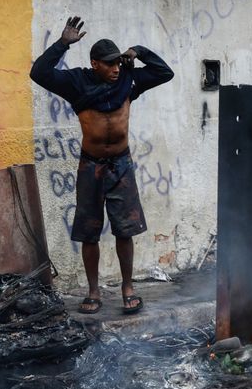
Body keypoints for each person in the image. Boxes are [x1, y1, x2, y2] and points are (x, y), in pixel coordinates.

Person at [29, 16, 174, 315]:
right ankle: (93, 291)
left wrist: (139, 51)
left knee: (125, 229)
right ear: (95, 63)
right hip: (91, 165)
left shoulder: (128, 81)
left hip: (121, 164)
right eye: (109, 64)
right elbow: (39, 73)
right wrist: (62, 44)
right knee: (89, 230)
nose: (116, 68)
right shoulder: (76, 82)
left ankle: (127, 288)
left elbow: (164, 72)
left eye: (118, 62)